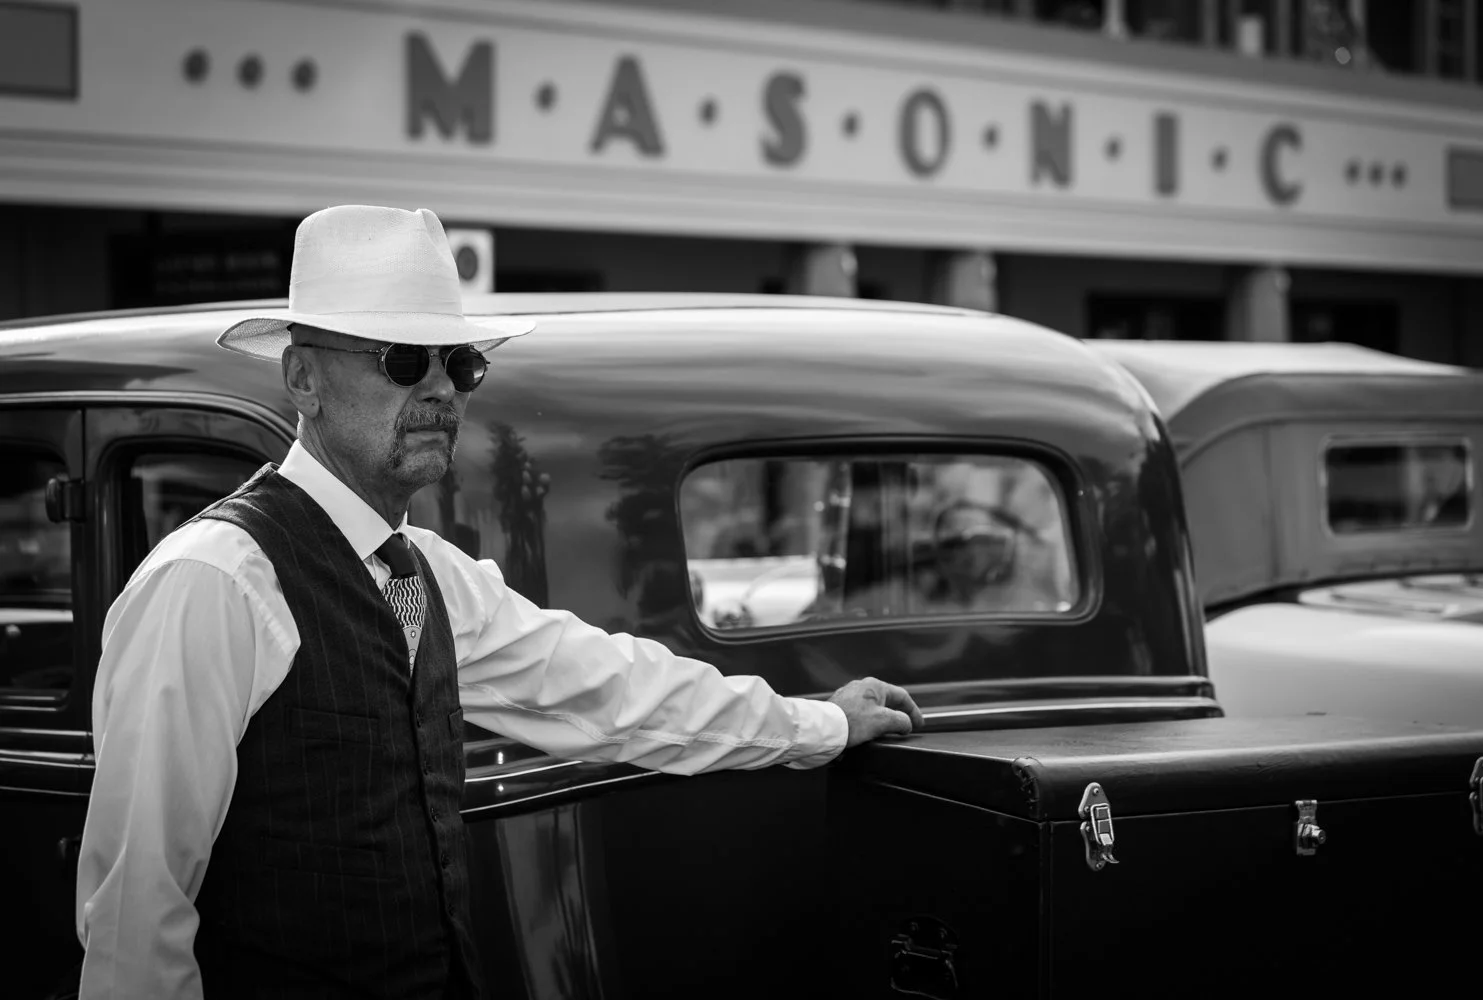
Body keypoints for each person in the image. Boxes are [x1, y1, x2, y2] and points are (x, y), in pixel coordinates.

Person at [74, 205, 922, 999]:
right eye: (401, 360)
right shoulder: (214, 582)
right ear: (303, 378)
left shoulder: (430, 575)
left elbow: (616, 691)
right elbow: (135, 919)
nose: (442, 389)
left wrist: (825, 724)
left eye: (462, 363)